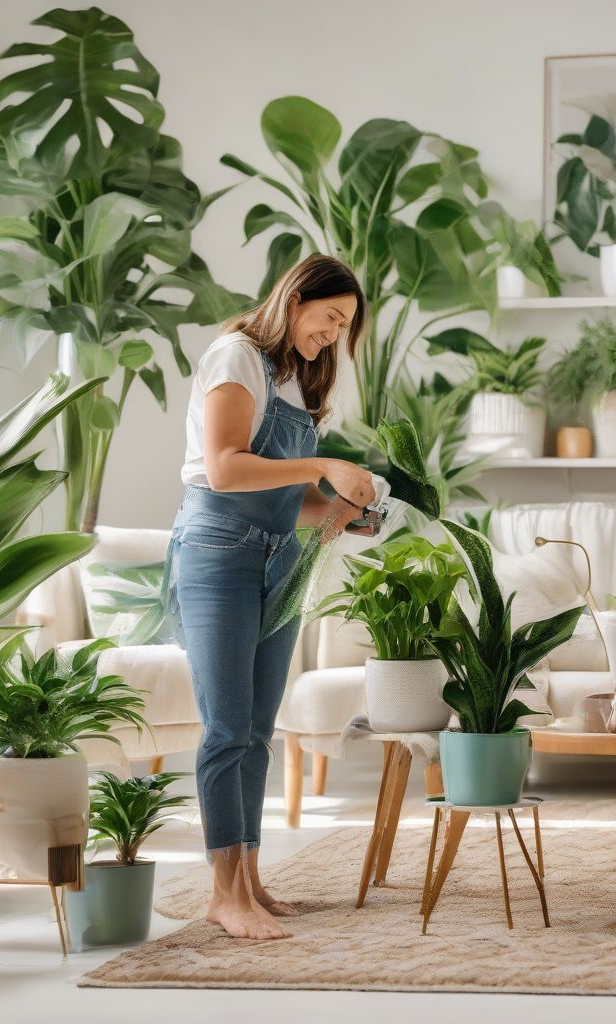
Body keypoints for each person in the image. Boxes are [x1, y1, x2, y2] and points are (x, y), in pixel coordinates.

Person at [166, 254, 380, 940]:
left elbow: (296, 508)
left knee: (259, 730)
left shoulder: (294, 379)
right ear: (295, 299)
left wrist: (347, 512)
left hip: (278, 558)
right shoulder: (237, 357)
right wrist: (323, 463)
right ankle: (223, 894)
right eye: (330, 318)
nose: (333, 335)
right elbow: (227, 470)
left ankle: (249, 880)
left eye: (344, 326)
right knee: (226, 727)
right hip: (217, 554)